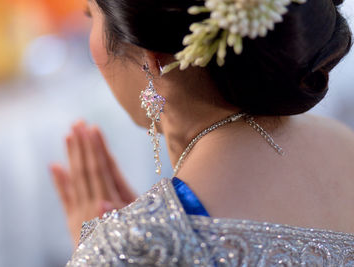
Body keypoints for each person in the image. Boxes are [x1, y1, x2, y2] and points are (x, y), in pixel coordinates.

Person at [51, 0, 354, 265]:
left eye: (90, 15)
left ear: (153, 60)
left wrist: (109, 249)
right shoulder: (344, 143)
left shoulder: (125, 248)